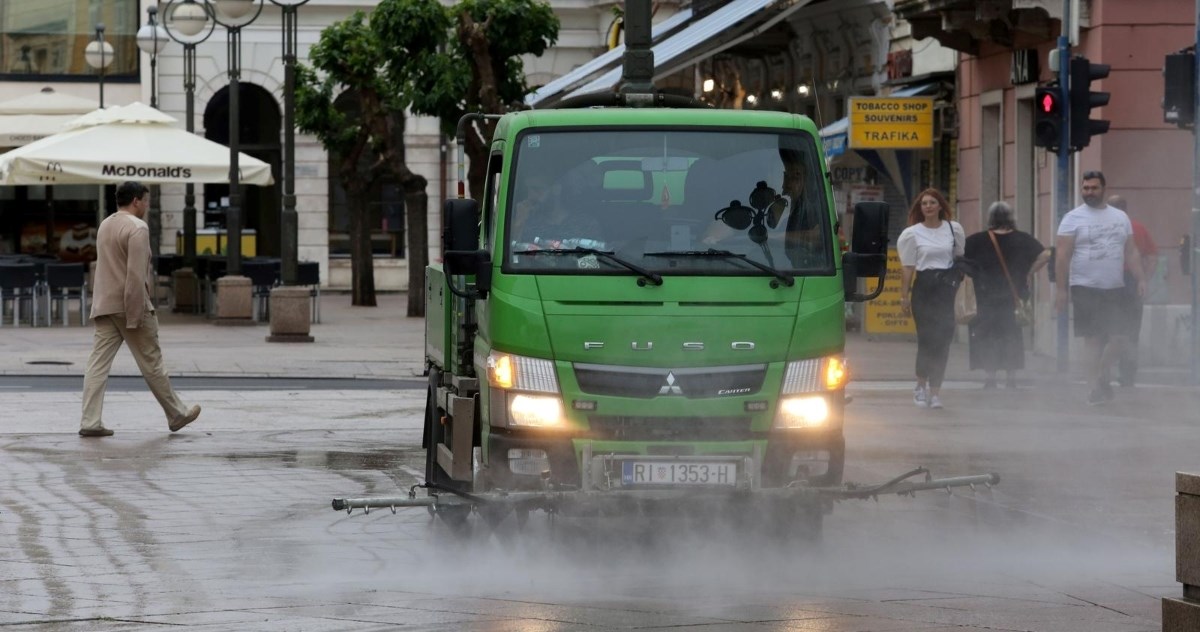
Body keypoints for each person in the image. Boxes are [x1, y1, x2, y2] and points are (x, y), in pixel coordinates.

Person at [79, 181, 201, 437]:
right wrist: (136, 316)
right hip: (129, 305)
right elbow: (135, 276)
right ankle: (177, 414)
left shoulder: (105, 225)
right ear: (136, 201)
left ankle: (90, 421)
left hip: (104, 305)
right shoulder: (137, 228)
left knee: (97, 364)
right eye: (145, 201)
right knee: (152, 363)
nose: (147, 205)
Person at [1054, 171, 1145, 406]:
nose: (1089, 192)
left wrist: (1140, 277)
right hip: (1084, 286)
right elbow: (1062, 256)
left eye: (1094, 188)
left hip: (1115, 287)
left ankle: (1102, 374)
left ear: (1103, 189)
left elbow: (1131, 250)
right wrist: (1061, 290)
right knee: (1092, 339)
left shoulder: (1119, 218)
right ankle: (1094, 388)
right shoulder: (1072, 218)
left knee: (1121, 337)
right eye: (1085, 188)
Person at [964, 202, 1050, 389]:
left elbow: (960, 258)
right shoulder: (1023, 239)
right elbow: (1045, 255)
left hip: (985, 297)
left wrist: (974, 275)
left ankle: (990, 378)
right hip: (1013, 296)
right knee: (1011, 335)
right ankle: (1011, 378)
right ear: (1011, 218)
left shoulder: (977, 240)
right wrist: (1029, 272)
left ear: (990, 219)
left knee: (987, 336)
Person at [897, 188, 965, 410]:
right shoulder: (912, 233)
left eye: (932, 202)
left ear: (940, 206)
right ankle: (920, 385)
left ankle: (936, 392)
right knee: (926, 339)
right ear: (920, 208)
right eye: (924, 203)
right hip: (924, 288)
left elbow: (959, 260)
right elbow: (908, 267)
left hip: (946, 289)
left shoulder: (953, 230)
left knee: (943, 341)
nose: (928, 206)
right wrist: (904, 296)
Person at [1106, 194, 1157, 387]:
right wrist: (1144, 279)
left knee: (1106, 328)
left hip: (1109, 282)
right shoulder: (1139, 228)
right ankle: (1128, 375)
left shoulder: (1104, 228)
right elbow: (1152, 256)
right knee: (1131, 330)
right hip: (1132, 283)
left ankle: (1103, 373)